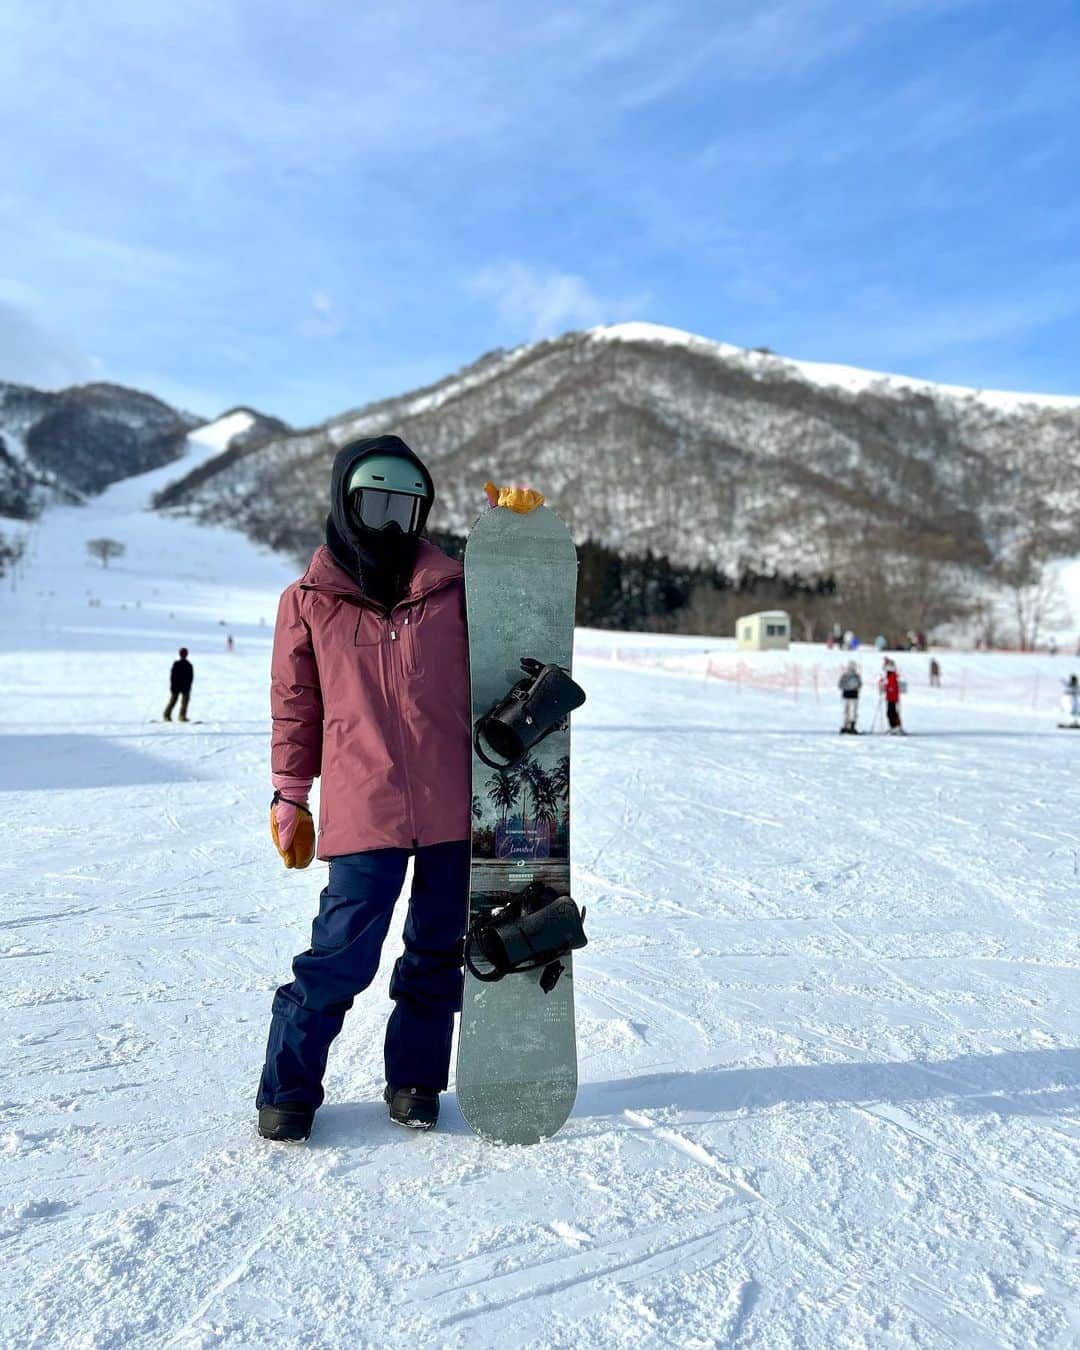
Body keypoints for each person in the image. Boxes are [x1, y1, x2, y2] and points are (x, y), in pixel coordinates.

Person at [256, 435, 470, 1144]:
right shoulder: (309, 600)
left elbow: (517, 637)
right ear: (345, 505)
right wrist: (290, 794)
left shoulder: (454, 588)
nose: (387, 526)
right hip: (364, 802)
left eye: (403, 510)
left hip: (450, 805)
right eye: (372, 505)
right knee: (340, 954)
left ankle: (415, 1080)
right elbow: (296, 704)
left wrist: (518, 538)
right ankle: (287, 1090)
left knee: (437, 951)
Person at [163, 647, 193, 721]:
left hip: (184, 687)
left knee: (183, 702)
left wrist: (188, 686)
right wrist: (173, 687)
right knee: (175, 701)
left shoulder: (188, 665)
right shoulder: (179, 664)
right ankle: (167, 715)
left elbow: (190, 678)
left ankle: (181, 716)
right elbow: (173, 677)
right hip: (178, 687)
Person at [880, 658, 905, 734]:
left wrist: (886, 687)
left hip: (893, 698)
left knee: (892, 712)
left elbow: (892, 686)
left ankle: (896, 726)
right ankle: (893, 726)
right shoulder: (890, 676)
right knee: (890, 712)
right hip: (890, 697)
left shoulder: (892, 675)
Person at [838, 660, 862, 733]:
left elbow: (840, 685)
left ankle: (846, 725)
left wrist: (846, 687)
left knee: (846, 711)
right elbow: (859, 685)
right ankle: (851, 726)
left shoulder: (844, 675)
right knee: (853, 712)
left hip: (846, 695)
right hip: (854, 696)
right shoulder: (856, 676)